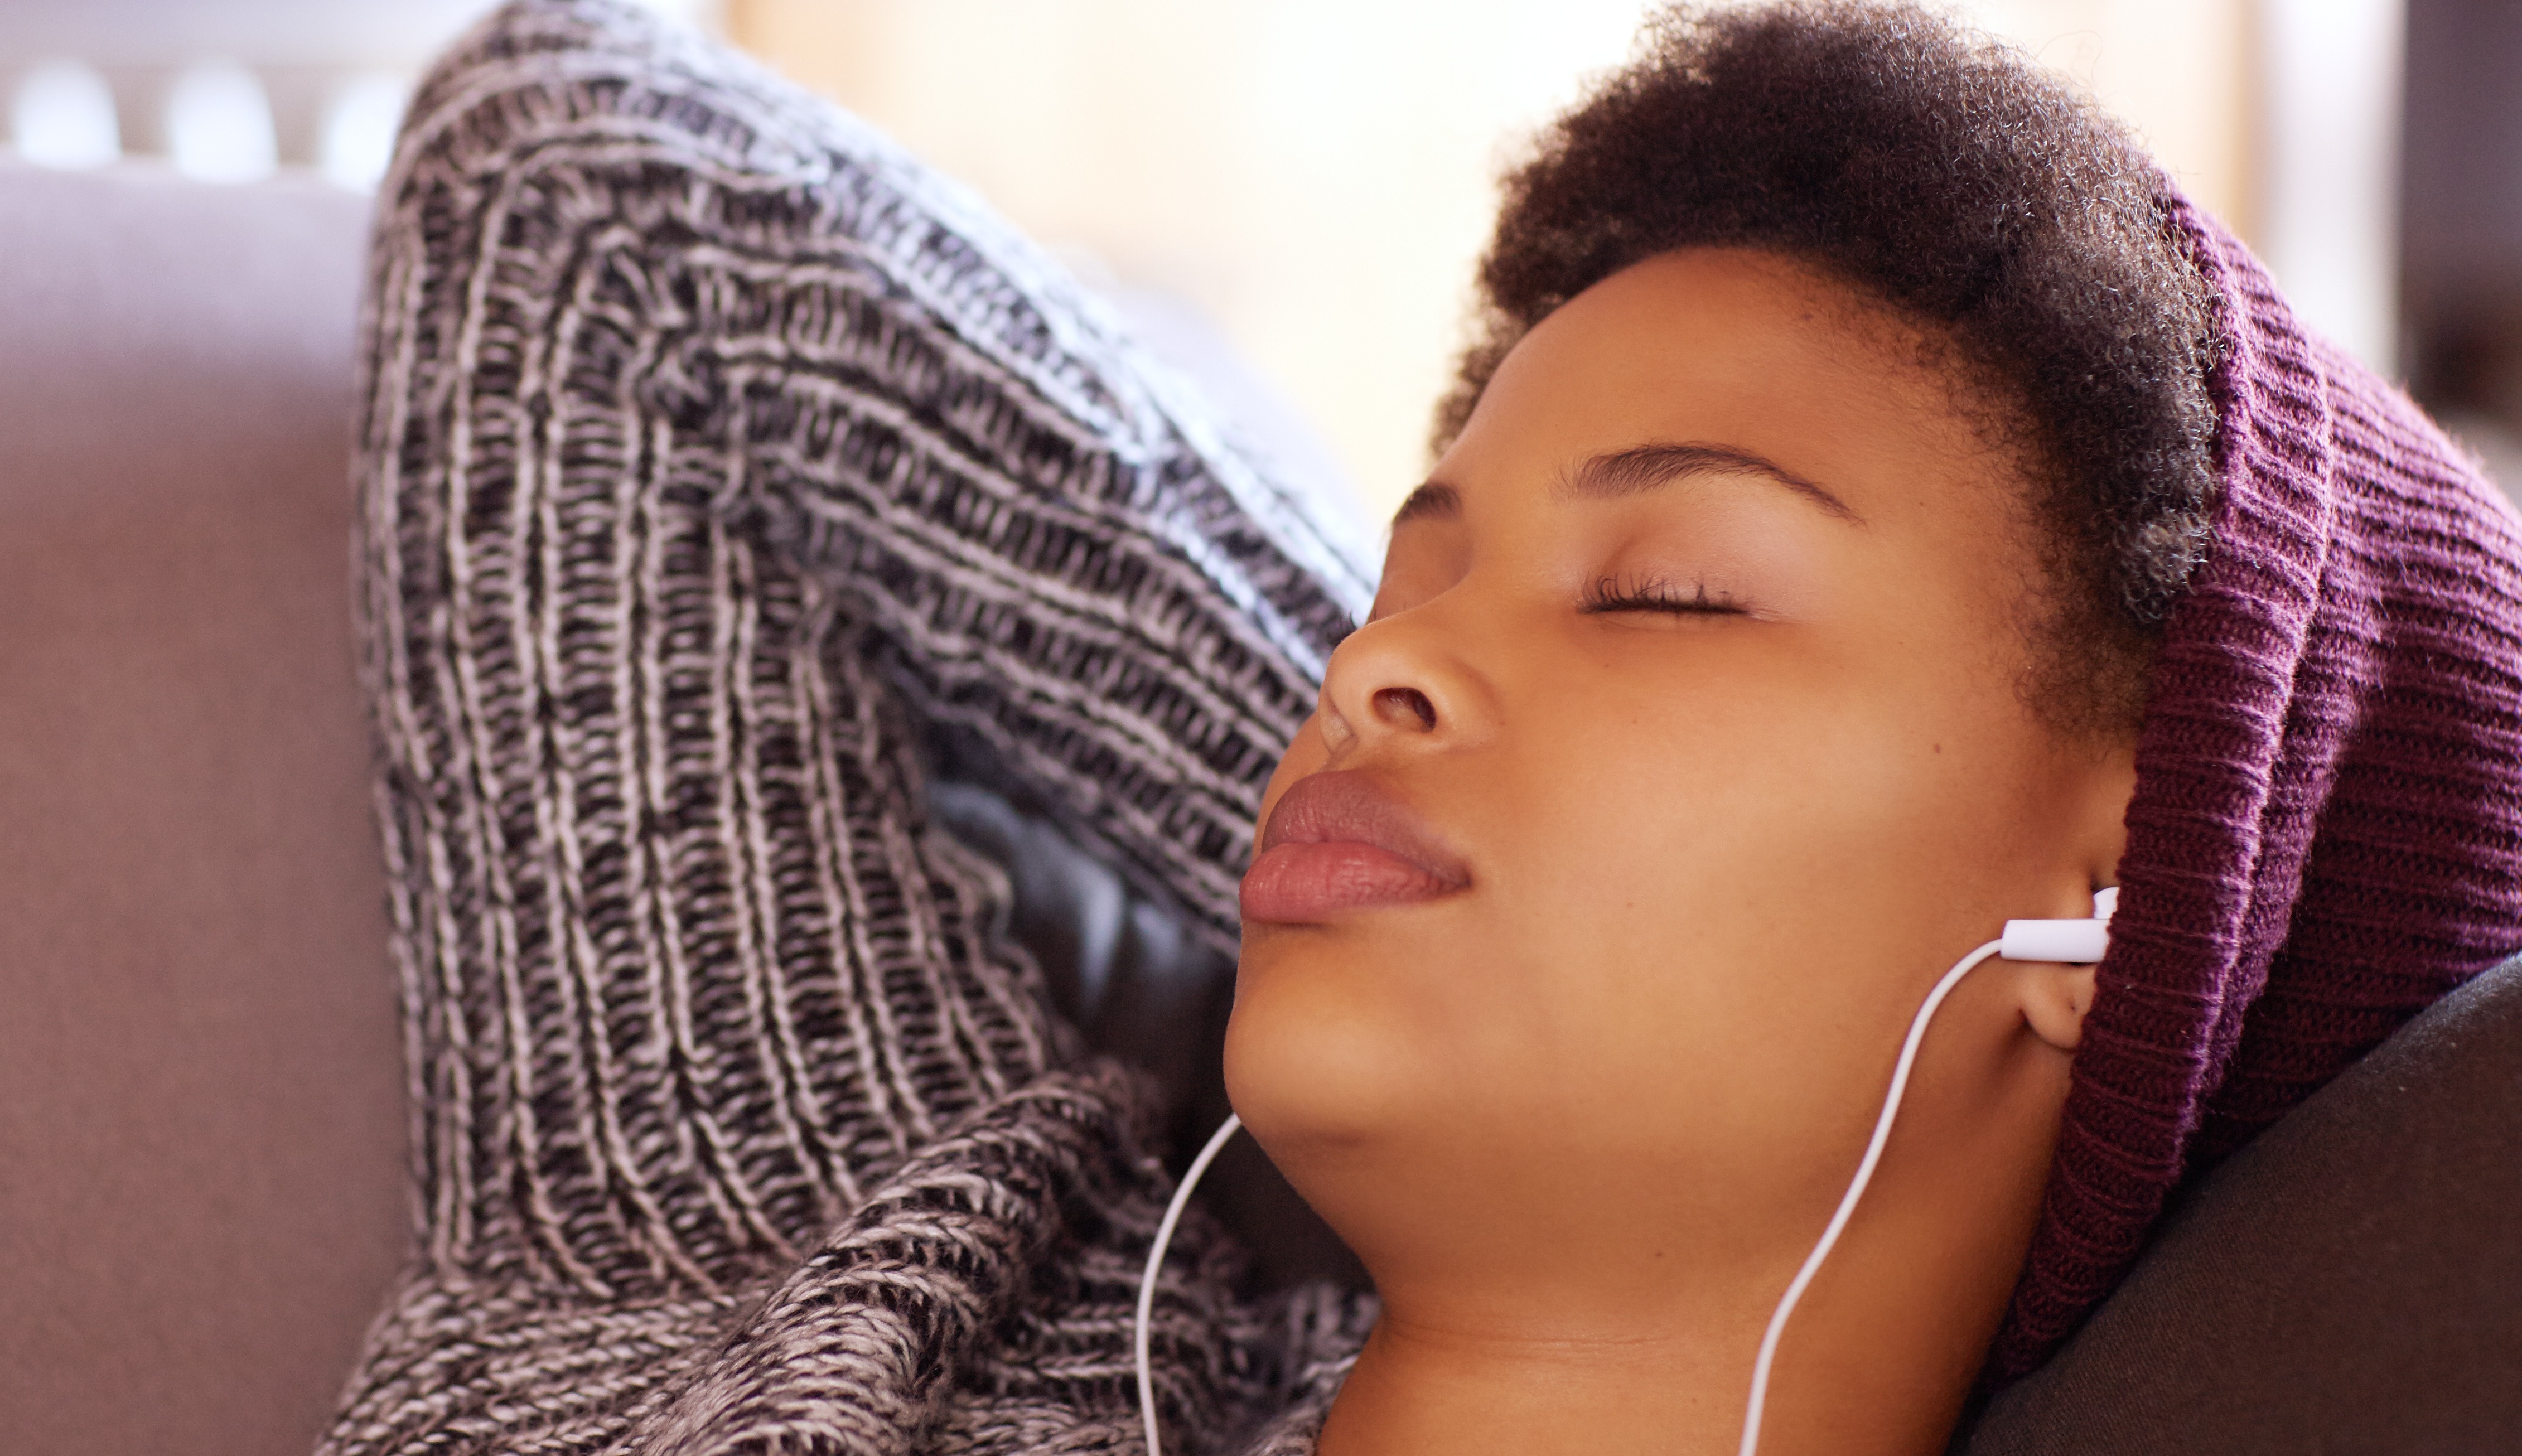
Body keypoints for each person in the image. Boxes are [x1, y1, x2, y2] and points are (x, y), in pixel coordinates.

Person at [320, 3, 2522, 1453]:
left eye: (1670, 588)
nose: (1372, 667)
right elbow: (589, 187)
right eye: (1400, 572)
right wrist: (1432, 792)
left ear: (2134, 888)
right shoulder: (827, 1263)